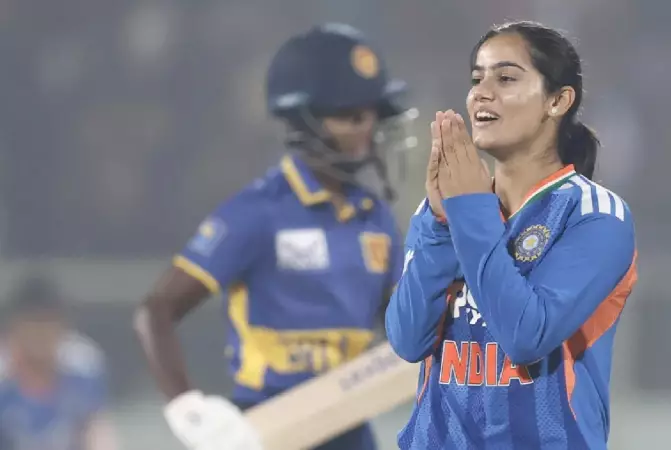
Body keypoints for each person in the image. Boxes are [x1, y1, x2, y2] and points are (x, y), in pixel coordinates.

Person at [134, 23, 411, 450]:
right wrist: (187, 409)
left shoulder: (375, 219)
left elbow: (405, 328)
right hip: (265, 428)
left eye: (372, 115)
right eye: (349, 115)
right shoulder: (258, 212)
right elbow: (157, 310)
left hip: (351, 428)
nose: (366, 128)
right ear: (305, 118)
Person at [386, 21, 638, 450]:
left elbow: (526, 337)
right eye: (476, 79)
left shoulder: (595, 216)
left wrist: (469, 212)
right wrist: (440, 222)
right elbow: (408, 339)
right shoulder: (448, 210)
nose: (481, 93)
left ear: (558, 101)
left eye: (505, 78)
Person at [0, 274, 117, 450]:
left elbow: (97, 428)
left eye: (48, 323)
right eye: (34, 323)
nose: (41, 333)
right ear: (14, 327)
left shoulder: (83, 364)